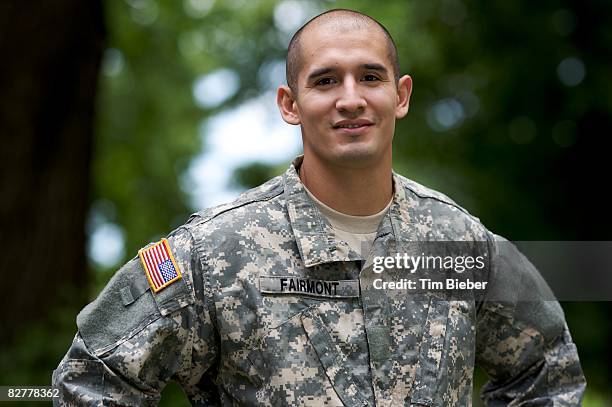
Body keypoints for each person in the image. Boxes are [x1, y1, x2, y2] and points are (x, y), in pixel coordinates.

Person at [53, 8, 586, 406]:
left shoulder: (459, 244)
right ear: (290, 104)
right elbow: (87, 383)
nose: (350, 98)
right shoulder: (215, 255)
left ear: (400, 96)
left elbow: (547, 371)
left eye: (370, 77)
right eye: (326, 80)